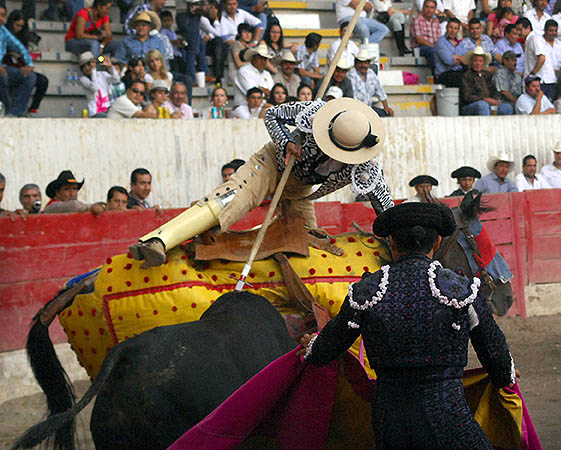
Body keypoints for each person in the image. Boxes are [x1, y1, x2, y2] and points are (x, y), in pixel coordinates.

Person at [299, 201, 515, 450]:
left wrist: (312, 346)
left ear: (391, 243)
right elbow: (497, 359)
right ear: (436, 243)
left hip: (390, 424)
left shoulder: (366, 291)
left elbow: (324, 352)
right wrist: (507, 374)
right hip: (448, 419)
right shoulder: (460, 290)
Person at [129, 97, 395, 266]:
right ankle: (158, 240)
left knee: (309, 244)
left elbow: (386, 207)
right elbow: (272, 114)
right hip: (270, 165)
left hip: (299, 190)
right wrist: (287, 141)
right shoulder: (316, 113)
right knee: (233, 198)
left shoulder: (364, 166)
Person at [4, 10, 47, 115]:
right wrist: (9, 53)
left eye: (21, 26)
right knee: (29, 77)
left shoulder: (23, 37)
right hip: (6, 67)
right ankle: (15, 112)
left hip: (19, 68)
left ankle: (32, 109)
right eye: (17, 25)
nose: (18, 28)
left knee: (42, 80)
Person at [0, 3, 36, 118]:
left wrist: (29, 64)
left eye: (3, 15)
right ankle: (5, 109)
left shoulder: (3, 31)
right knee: (2, 75)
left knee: (30, 76)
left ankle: (14, 114)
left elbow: (19, 47)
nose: (2, 18)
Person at [460, 46, 512, 115]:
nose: (478, 63)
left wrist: (495, 100)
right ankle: (485, 126)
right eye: (475, 60)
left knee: (507, 108)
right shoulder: (466, 76)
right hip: (471, 106)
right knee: (482, 105)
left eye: (480, 61)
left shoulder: (487, 75)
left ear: (483, 63)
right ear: (471, 62)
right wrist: (485, 99)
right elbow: (467, 96)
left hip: (488, 105)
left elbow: (494, 90)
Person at [348, 49, 394, 116]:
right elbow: (353, 98)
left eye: (365, 63)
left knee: (386, 114)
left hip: (369, 108)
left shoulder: (371, 73)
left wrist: (386, 107)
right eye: (360, 62)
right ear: (356, 63)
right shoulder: (351, 75)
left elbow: (380, 91)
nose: (363, 65)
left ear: (369, 64)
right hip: (355, 110)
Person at [78, 50, 120, 117]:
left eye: (88, 65)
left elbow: (116, 80)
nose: (87, 68)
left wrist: (110, 67)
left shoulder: (102, 74)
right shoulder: (83, 79)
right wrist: (93, 69)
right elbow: (94, 88)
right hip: (95, 111)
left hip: (107, 109)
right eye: (84, 67)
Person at [540, 19, 561, 101]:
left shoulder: (560, 44)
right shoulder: (539, 43)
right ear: (545, 31)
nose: (553, 33)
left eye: (555, 31)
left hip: (559, 80)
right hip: (544, 80)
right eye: (551, 31)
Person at [410, 0, 442, 72]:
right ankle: (436, 74)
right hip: (419, 48)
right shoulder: (417, 20)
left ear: (435, 10)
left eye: (432, 8)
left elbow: (439, 38)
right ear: (423, 8)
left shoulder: (436, 20)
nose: (429, 10)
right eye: (427, 7)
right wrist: (434, 46)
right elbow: (419, 39)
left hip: (433, 47)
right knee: (433, 51)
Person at [434, 18, 467, 87]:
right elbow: (448, 61)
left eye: (455, 28)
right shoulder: (441, 42)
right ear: (446, 28)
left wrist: (456, 57)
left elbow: (466, 60)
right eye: (450, 27)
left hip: (458, 73)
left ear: (458, 30)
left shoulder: (461, 44)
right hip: (444, 75)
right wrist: (461, 59)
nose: (452, 31)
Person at [160, 10, 185, 74]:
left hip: (177, 53)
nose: (167, 23)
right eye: (164, 21)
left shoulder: (173, 31)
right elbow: (167, 41)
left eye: (169, 20)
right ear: (161, 22)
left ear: (172, 21)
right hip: (171, 55)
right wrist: (176, 42)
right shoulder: (163, 31)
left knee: (182, 68)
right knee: (175, 70)